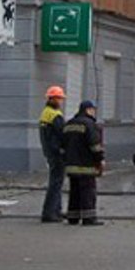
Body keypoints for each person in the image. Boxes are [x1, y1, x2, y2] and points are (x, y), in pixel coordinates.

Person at [62, 100, 105, 226]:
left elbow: (63, 144)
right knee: (88, 192)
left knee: (74, 192)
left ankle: (73, 217)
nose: (94, 112)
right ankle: (89, 218)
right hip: (86, 165)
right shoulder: (89, 124)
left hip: (71, 165)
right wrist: (100, 159)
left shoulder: (69, 124)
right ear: (88, 110)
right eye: (93, 110)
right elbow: (95, 145)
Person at [39, 86, 67, 223]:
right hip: (57, 153)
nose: (61, 101)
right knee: (56, 183)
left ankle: (56, 210)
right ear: (53, 99)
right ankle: (50, 213)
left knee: (56, 182)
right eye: (59, 98)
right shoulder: (55, 115)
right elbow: (63, 134)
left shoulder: (45, 113)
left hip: (50, 151)